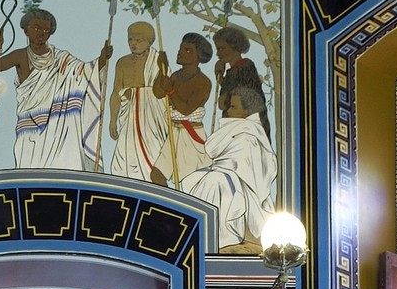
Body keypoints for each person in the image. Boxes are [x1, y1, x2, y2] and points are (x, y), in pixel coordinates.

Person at [0, 7, 111, 169]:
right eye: (36, 28)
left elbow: (85, 73)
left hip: (60, 126)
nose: (41, 33)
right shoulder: (20, 56)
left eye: (45, 30)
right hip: (30, 124)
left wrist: (102, 58)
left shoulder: (62, 59)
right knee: (30, 168)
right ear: (26, 30)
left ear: (50, 32)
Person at [179, 80, 277, 248]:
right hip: (223, 174)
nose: (228, 111)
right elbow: (215, 151)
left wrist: (224, 172)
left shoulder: (249, 135)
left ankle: (219, 238)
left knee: (214, 182)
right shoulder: (236, 129)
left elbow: (248, 170)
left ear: (246, 111)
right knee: (203, 179)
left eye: (233, 107)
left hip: (237, 183)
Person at [108, 20, 172, 181]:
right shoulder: (122, 63)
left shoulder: (157, 61)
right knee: (124, 159)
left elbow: (163, 92)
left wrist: (162, 70)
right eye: (130, 39)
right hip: (128, 119)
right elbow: (116, 93)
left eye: (138, 40)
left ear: (149, 41)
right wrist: (112, 120)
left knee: (153, 157)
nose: (133, 43)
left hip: (152, 121)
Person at [153, 32, 213, 179]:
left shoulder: (203, 82)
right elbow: (158, 93)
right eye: (181, 48)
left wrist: (171, 91)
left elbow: (186, 110)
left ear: (198, 56)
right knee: (157, 175)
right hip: (174, 131)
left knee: (189, 179)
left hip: (190, 134)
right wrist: (162, 69)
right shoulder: (176, 76)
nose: (180, 52)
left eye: (187, 50)